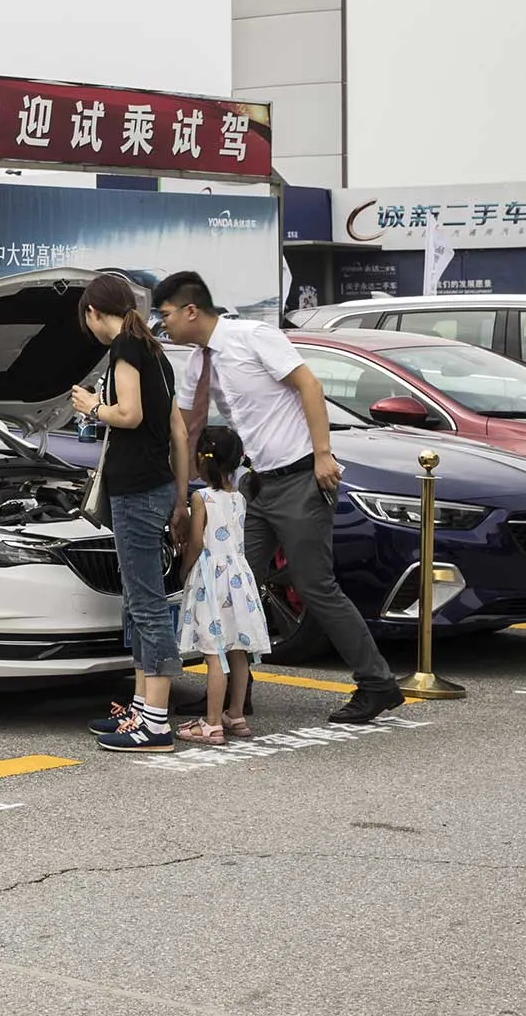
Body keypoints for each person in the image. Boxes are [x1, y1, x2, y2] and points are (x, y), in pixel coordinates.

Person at [152, 270, 404, 723]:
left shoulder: (252, 337)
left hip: (300, 477)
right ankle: (235, 693)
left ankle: (377, 683)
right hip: (256, 484)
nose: (162, 323)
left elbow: (310, 385)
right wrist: (180, 499)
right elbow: (187, 430)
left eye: (165, 314)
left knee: (314, 585)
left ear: (190, 311)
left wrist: (323, 454)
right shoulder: (197, 364)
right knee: (230, 581)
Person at [70, 272, 192, 752]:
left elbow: (130, 414)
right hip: (157, 488)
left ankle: (155, 723)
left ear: (93, 312)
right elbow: (178, 431)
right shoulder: (155, 352)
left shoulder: (125, 348)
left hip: (136, 491)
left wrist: (92, 406)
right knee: (139, 602)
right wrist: (180, 499)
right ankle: (141, 709)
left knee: (146, 604)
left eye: (87, 320)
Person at [175, 425, 272, 745]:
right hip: (239, 579)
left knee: (214, 652)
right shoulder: (239, 497)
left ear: (201, 460)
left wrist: (184, 569)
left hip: (212, 580)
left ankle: (212, 723)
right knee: (238, 650)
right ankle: (235, 715)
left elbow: (196, 543)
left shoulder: (201, 497)